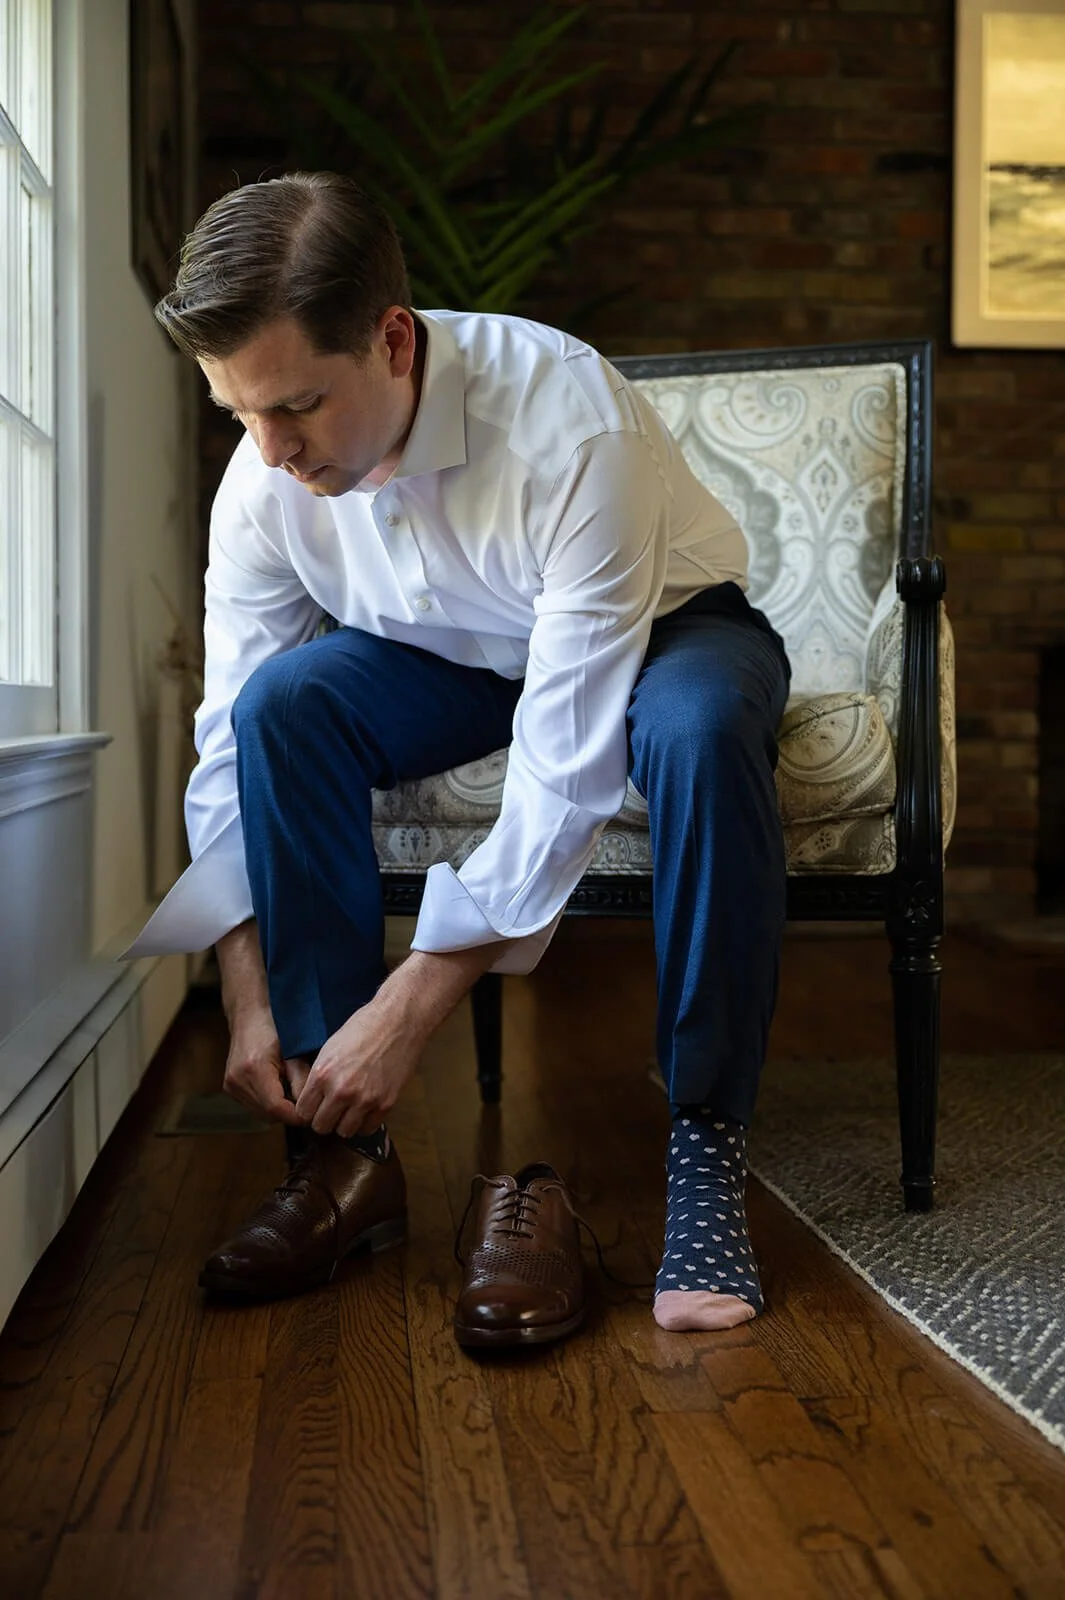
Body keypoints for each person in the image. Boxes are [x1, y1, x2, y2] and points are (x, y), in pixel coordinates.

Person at [131, 171, 791, 1341]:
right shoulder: (264, 475)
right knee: (285, 701)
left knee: (695, 730)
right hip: (452, 656)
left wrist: (413, 1004)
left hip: (668, 626)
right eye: (239, 412)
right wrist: (242, 986)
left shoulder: (569, 418)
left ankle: (706, 1142)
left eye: (296, 406)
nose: (271, 449)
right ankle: (338, 1156)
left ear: (392, 339)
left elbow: (570, 759)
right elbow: (229, 735)